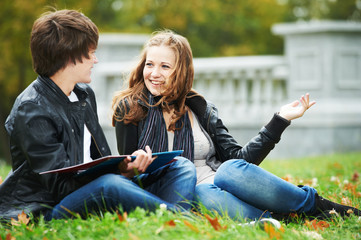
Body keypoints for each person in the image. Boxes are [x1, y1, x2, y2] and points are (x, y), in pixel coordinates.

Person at [112, 29, 361, 224]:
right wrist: (132, 167)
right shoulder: (130, 108)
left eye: (165, 66)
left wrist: (280, 120)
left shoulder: (200, 109)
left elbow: (241, 160)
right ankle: (277, 217)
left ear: (182, 70)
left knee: (230, 169)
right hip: (184, 192)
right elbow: (127, 173)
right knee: (203, 194)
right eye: (150, 64)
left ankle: (318, 206)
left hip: (223, 181)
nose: (154, 73)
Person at [0, 11, 196, 223]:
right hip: (48, 209)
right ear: (69, 57)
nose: (96, 59)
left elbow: (98, 159)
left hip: (96, 190)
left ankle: (166, 218)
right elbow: (60, 188)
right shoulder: (32, 109)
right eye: (91, 53)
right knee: (110, 185)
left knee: (180, 166)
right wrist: (115, 178)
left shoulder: (83, 93)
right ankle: (181, 219)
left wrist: (124, 169)